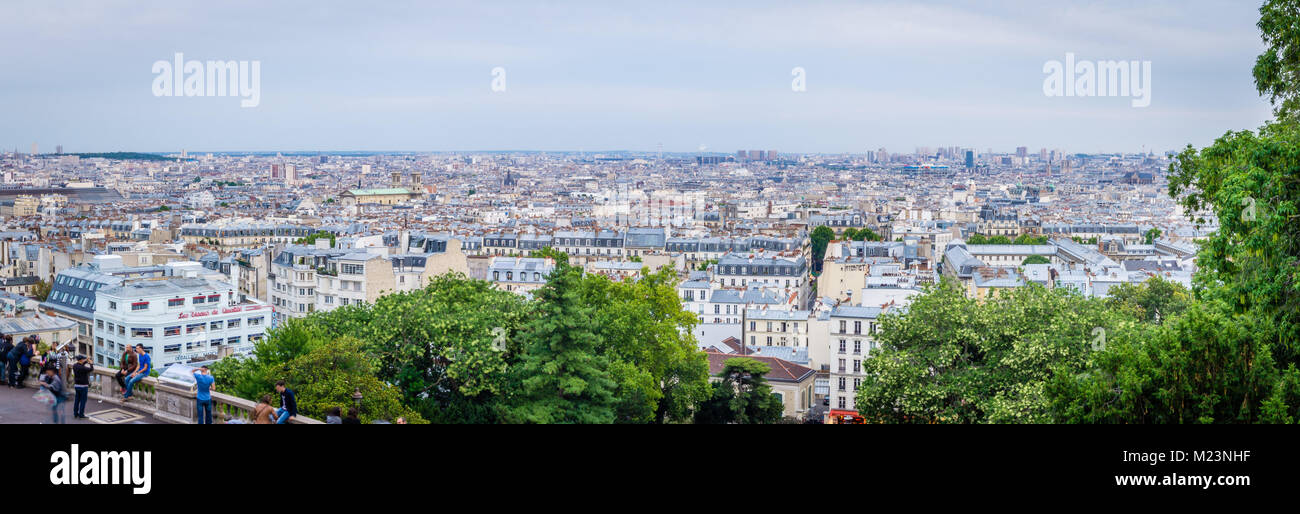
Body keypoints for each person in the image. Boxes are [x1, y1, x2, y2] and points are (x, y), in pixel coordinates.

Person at [70, 355, 93, 419]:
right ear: (81, 360)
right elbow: (91, 369)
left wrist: (86, 360)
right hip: (83, 386)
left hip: (77, 385)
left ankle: (75, 413)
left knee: (77, 400)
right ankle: (81, 414)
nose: (84, 360)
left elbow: (82, 363)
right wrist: (91, 363)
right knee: (83, 401)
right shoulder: (83, 368)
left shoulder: (75, 366)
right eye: (83, 359)